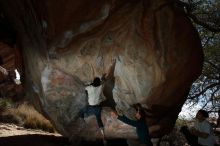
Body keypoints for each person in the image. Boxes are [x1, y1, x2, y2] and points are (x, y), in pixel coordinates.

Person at [79, 59, 116, 145]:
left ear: (93, 82)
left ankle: (83, 125)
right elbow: (107, 76)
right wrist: (111, 64)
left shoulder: (90, 88)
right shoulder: (100, 86)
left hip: (91, 107)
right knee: (99, 120)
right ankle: (103, 137)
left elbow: (82, 87)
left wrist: (89, 83)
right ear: (99, 82)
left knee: (81, 112)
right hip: (98, 107)